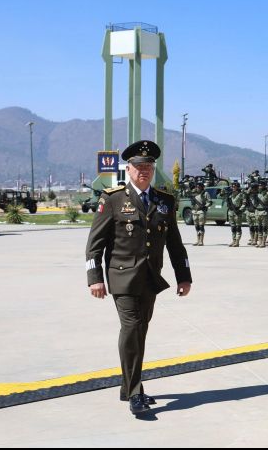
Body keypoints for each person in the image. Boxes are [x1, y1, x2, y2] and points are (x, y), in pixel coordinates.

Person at [85, 140, 192, 416]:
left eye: (148, 166)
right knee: (132, 329)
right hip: (121, 278)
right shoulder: (112, 199)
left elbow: (175, 245)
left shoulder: (164, 200)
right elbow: (94, 244)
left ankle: (127, 386)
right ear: (128, 169)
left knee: (140, 332)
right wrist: (94, 278)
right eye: (138, 166)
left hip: (150, 278)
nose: (143, 171)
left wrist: (184, 276)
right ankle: (135, 392)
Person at [226, 181, 246, 247]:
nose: (233, 188)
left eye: (234, 186)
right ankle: (233, 240)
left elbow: (244, 203)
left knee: (238, 227)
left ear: (238, 187)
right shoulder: (230, 194)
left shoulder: (241, 194)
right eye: (232, 186)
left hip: (237, 212)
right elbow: (220, 195)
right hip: (231, 212)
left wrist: (240, 210)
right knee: (233, 227)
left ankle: (237, 241)